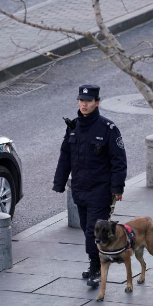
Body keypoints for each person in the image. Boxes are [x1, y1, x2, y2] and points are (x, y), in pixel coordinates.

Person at [53, 85, 127, 287]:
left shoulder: (107, 128)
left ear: (97, 102)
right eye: (81, 100)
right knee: (88, 229)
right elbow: (65, 156)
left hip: (100, 190)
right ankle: (94, 262)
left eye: (88, 101)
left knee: (93, 232)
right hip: (80, 189)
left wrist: (117, 188)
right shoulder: (74, 126)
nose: (84, 104)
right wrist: (59, 183)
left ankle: (97, 268)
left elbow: (118, 160)